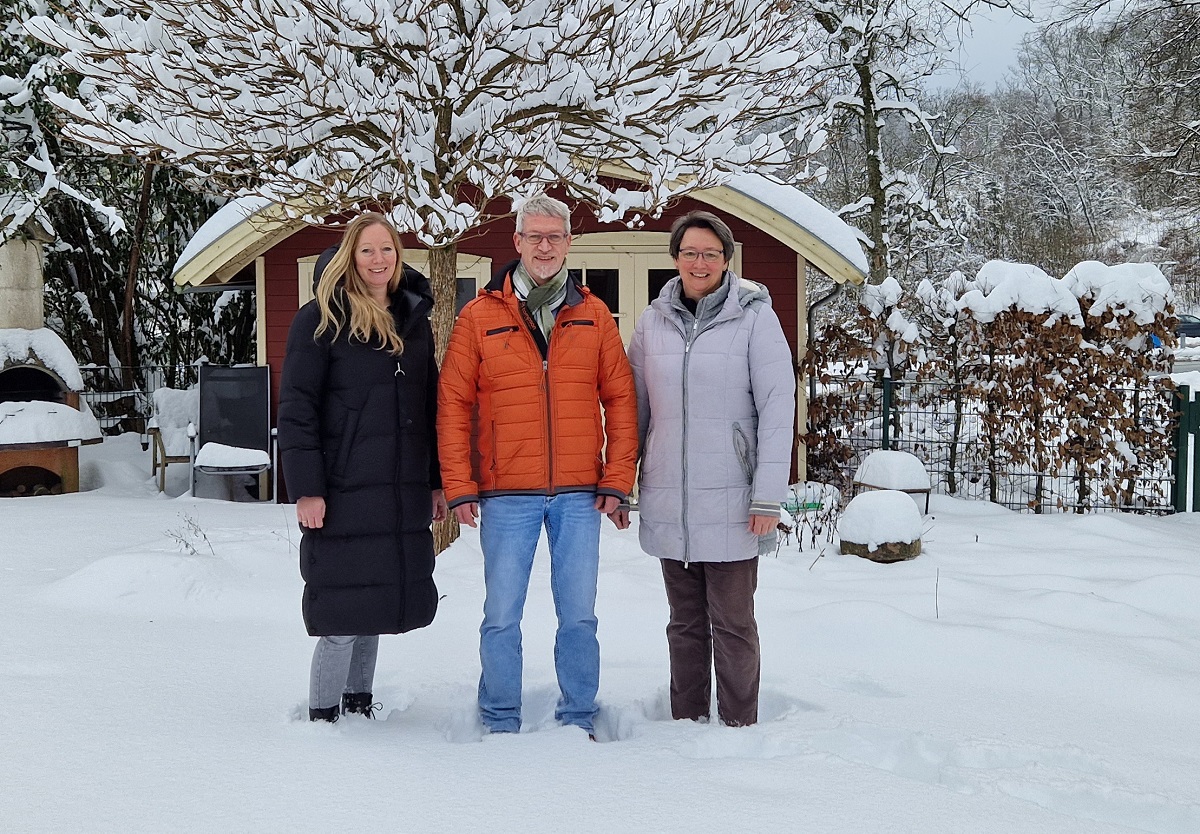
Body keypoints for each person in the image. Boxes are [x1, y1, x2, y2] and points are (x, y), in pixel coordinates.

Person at [437, 193, 638, 737]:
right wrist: (460, 485)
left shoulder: (594, 315)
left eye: (555, 237)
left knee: (579, 617)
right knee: (502, 616)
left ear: (569, 243)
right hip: (506, 493)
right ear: (517, 242)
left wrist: (618, 479)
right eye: (535, 237)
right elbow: (453, 403)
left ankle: (578, 717)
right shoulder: (478, 317)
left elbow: (621, 399)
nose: (545, 246)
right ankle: (500, 718)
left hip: (579, 493)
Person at [611, 210, 795, 727]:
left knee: (733, 622)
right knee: (684, 624)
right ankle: (685, 722)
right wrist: (622, 482)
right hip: (671, 497)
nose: (699, 262)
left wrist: (767, 497)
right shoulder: (653, 321)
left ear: (726, 260)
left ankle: (739, 724)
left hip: (735, 500)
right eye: (690, 252)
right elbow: (634, 410)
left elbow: (779, 408)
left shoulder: (755, 317)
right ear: (675, 258)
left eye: (710, 254)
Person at [277, 212, 447, 723]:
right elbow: (297, 409)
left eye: (388, 250)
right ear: (350, 256)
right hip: (344, 487)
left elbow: (431, 405)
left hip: (399, 487)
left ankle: (359, 703)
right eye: (368, 250)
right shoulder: (320, 319)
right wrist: (307, 488)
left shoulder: (412, 320)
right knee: (341, 614)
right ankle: (323, 715)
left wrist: (436, 482)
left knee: (375, 603)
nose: (379, 260)